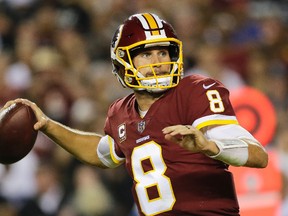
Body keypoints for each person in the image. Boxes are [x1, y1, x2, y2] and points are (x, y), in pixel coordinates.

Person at [3, 13, 268, 216]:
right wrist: (48, 125)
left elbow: (257, 155)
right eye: (146, 54)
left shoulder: (195, 91)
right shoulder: (120, 112)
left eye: (163, 52)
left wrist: (210, 145)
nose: (158, 61)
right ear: (123, 62)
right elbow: (101, 153)